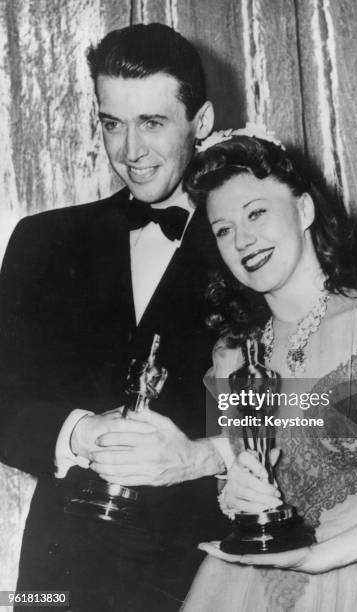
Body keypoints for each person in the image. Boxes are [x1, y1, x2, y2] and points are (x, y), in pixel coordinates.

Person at [0, 23, 229, 612]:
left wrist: (204, 456)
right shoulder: (42, 241)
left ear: (200, 122)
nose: (130, 151)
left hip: (214, 571)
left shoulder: (254, 242)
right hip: (63, 577)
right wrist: (77, 432)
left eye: (153, 122)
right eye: (112, 123)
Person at [180, 131, 357, 611]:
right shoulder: (231, 356)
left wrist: (323, 557)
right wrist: (236, 495)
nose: (242, 239)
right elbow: (236, 493)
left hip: (355, 582)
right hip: (239, 590)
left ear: (304, 210)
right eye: (223, 229)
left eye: (256, 212)